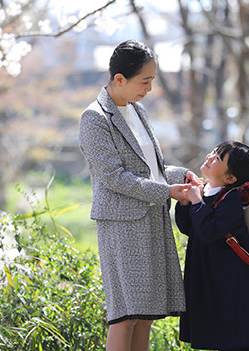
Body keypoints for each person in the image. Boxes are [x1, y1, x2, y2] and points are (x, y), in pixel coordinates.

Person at [78, 39, 200, 351]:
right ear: (119, 79)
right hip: (122, 225)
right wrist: (167, 191)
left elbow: (151, 167)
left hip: (151, 218)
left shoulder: (139, 111)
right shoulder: (94, 118)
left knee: (145, 315)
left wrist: (178, 175)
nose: (148, 89)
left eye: (152, 81)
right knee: (125, 315)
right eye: (144, 81)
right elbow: (114, 178)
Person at [174, 140, 249, 351]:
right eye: (213, 152)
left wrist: (196, 203)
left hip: (229, 281)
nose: (210, 157)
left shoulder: (231, 199)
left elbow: (210, 231)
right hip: (211, 277)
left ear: (230, 178)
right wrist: (186, 203)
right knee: (221, 336)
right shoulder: (205, 192)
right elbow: (189, 228)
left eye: (218, 158)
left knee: (235, 339)